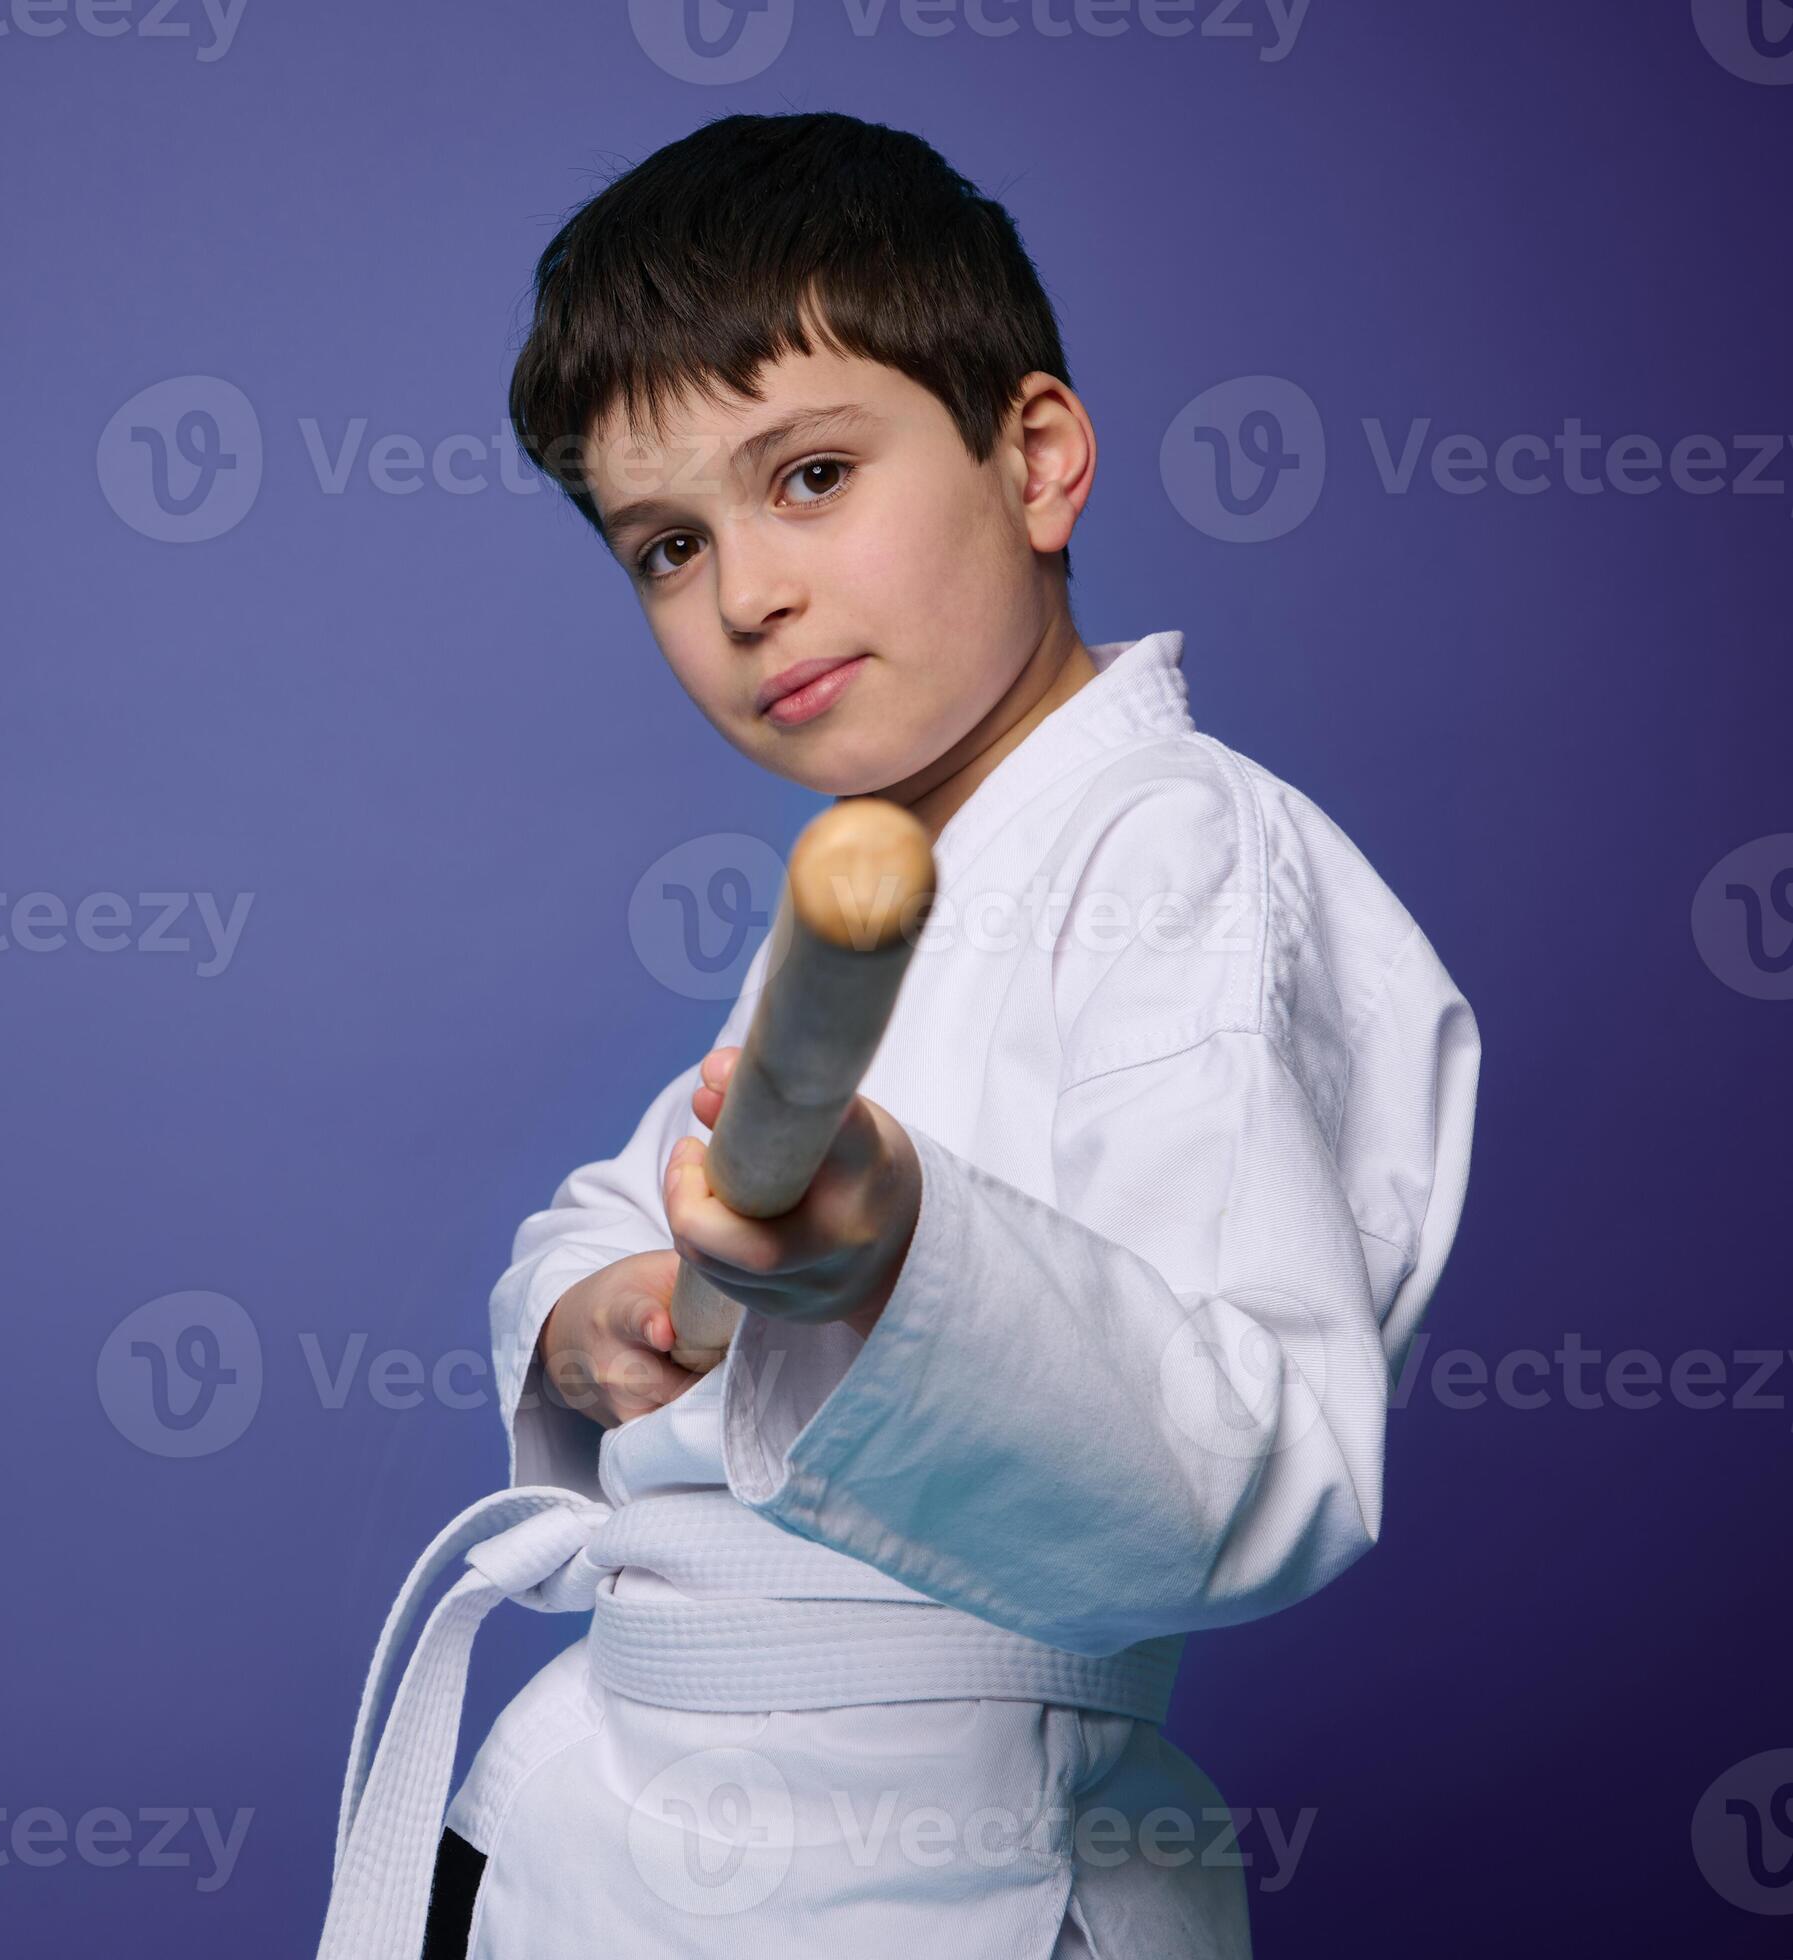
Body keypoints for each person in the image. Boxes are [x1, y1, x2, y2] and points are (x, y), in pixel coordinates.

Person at [315, 112, 1481, 1959]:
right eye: (663, 546)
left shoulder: (1170, 851)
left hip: (928, 1874)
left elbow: (1258, 1464)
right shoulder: (881, 891)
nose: (742, 596)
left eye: (808, 477)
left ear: (1033, 457)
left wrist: (891, 1259)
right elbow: (617, 1211)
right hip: (597, 1823)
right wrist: (594, 1318)